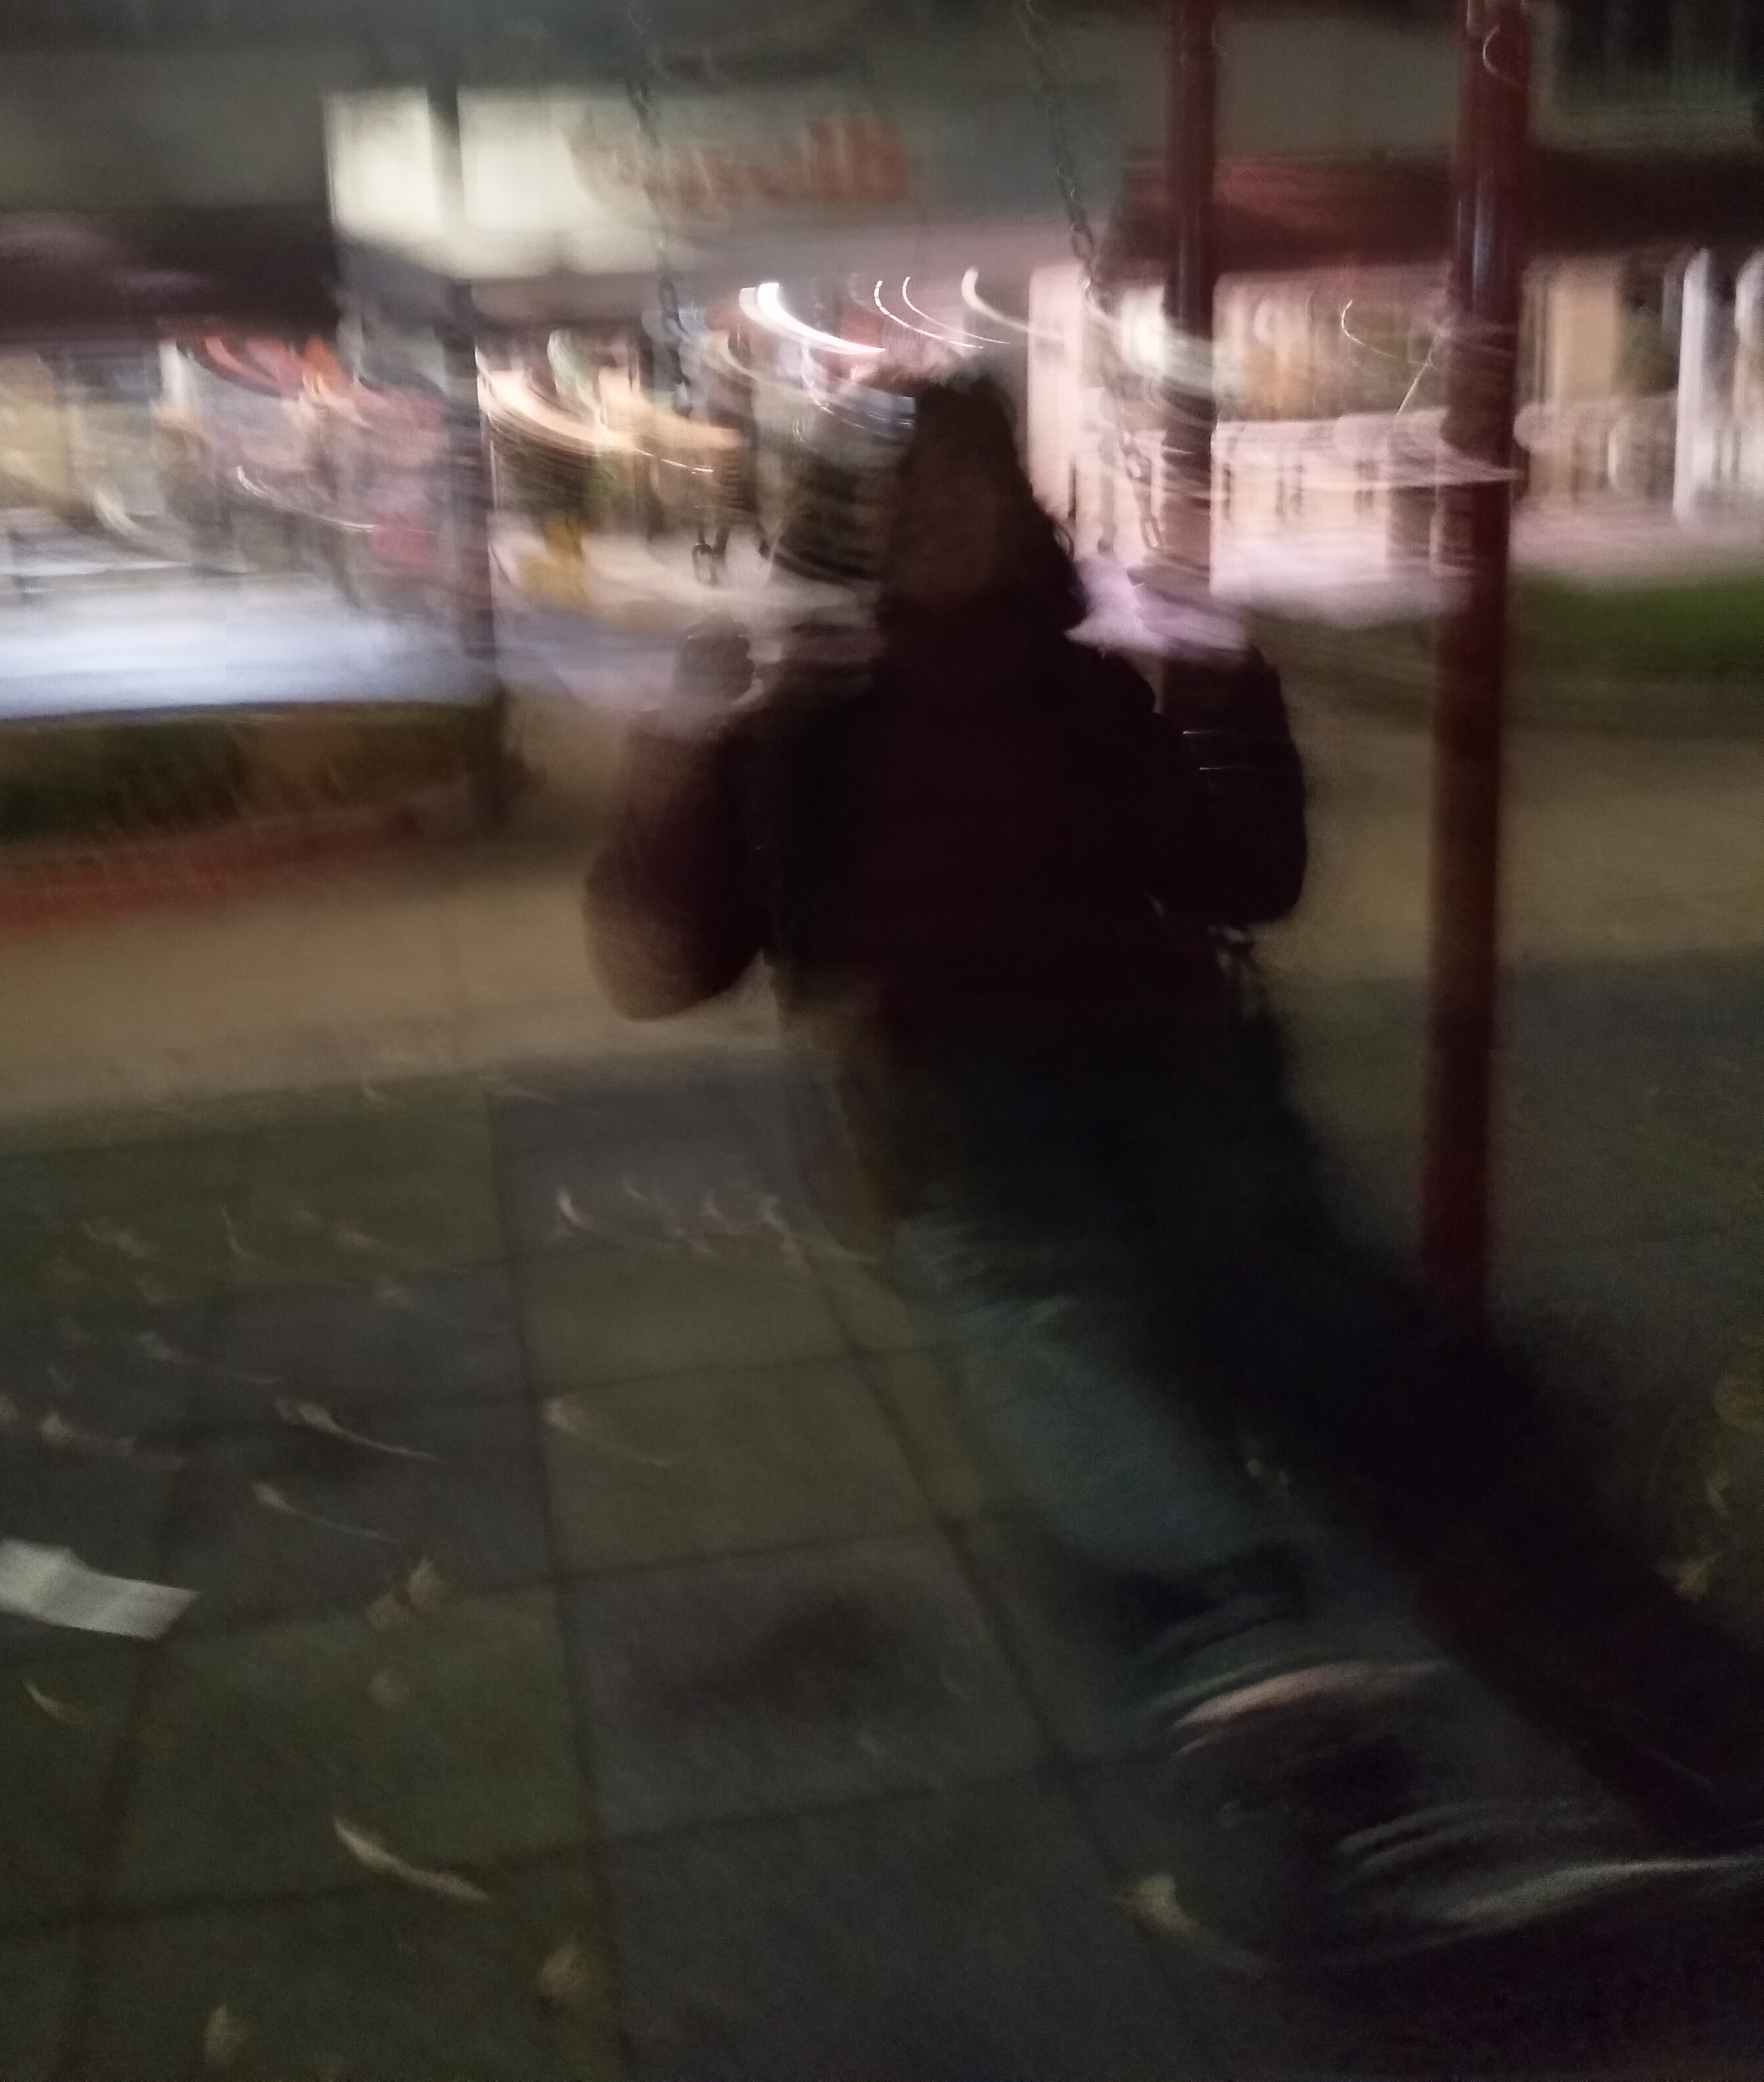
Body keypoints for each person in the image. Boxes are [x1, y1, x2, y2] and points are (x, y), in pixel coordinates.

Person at [586, 371, 1764, 1965]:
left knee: (1324, 1328)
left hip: (1169, 1069)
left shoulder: (1102, 689)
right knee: (1059, 1321)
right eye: (910, 494)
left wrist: (1226, 681)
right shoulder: (807, 730)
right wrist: (674, 749)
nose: (942, 515)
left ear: (1022, 507)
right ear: (857, 527)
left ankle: (1676, 1693)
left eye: (971, 482)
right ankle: (1329, 1769)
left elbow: (1250, 877)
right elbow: (669, 962)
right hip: (960, 1101)